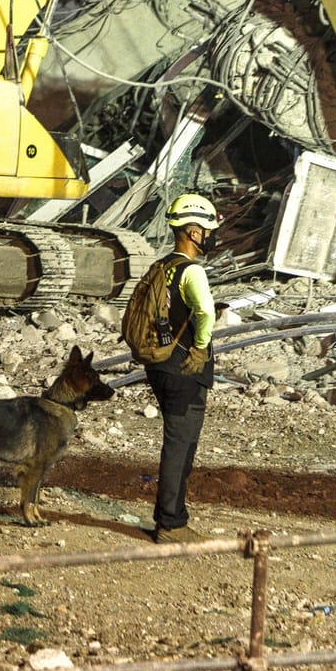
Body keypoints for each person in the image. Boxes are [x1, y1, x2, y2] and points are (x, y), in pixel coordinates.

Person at [147, 194, 219, 544]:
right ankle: (170, 524)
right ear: (192, 231)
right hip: (183, 368)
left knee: (179, 441)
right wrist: (202, 347)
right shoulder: (192, 271)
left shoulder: (163, 265)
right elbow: (205, 312)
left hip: (160, 365)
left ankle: (172, 518)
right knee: (180, 444)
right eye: (206, 230)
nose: (210, 236)